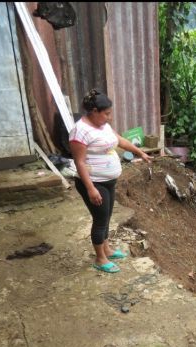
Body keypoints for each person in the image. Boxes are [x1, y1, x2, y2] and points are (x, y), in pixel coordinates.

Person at [69, 89, 152, 273]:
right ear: (94, 111)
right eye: (106, 113)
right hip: (93, 182)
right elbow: (79, 162)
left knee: (106, 217)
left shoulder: (103, 126)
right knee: (100, 220)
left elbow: (120, 140)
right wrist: (90, 188)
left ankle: (106, 249)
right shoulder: (80, 131)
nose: (109, 117)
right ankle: (100, 259)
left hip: (108, 181)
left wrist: (141, 153)